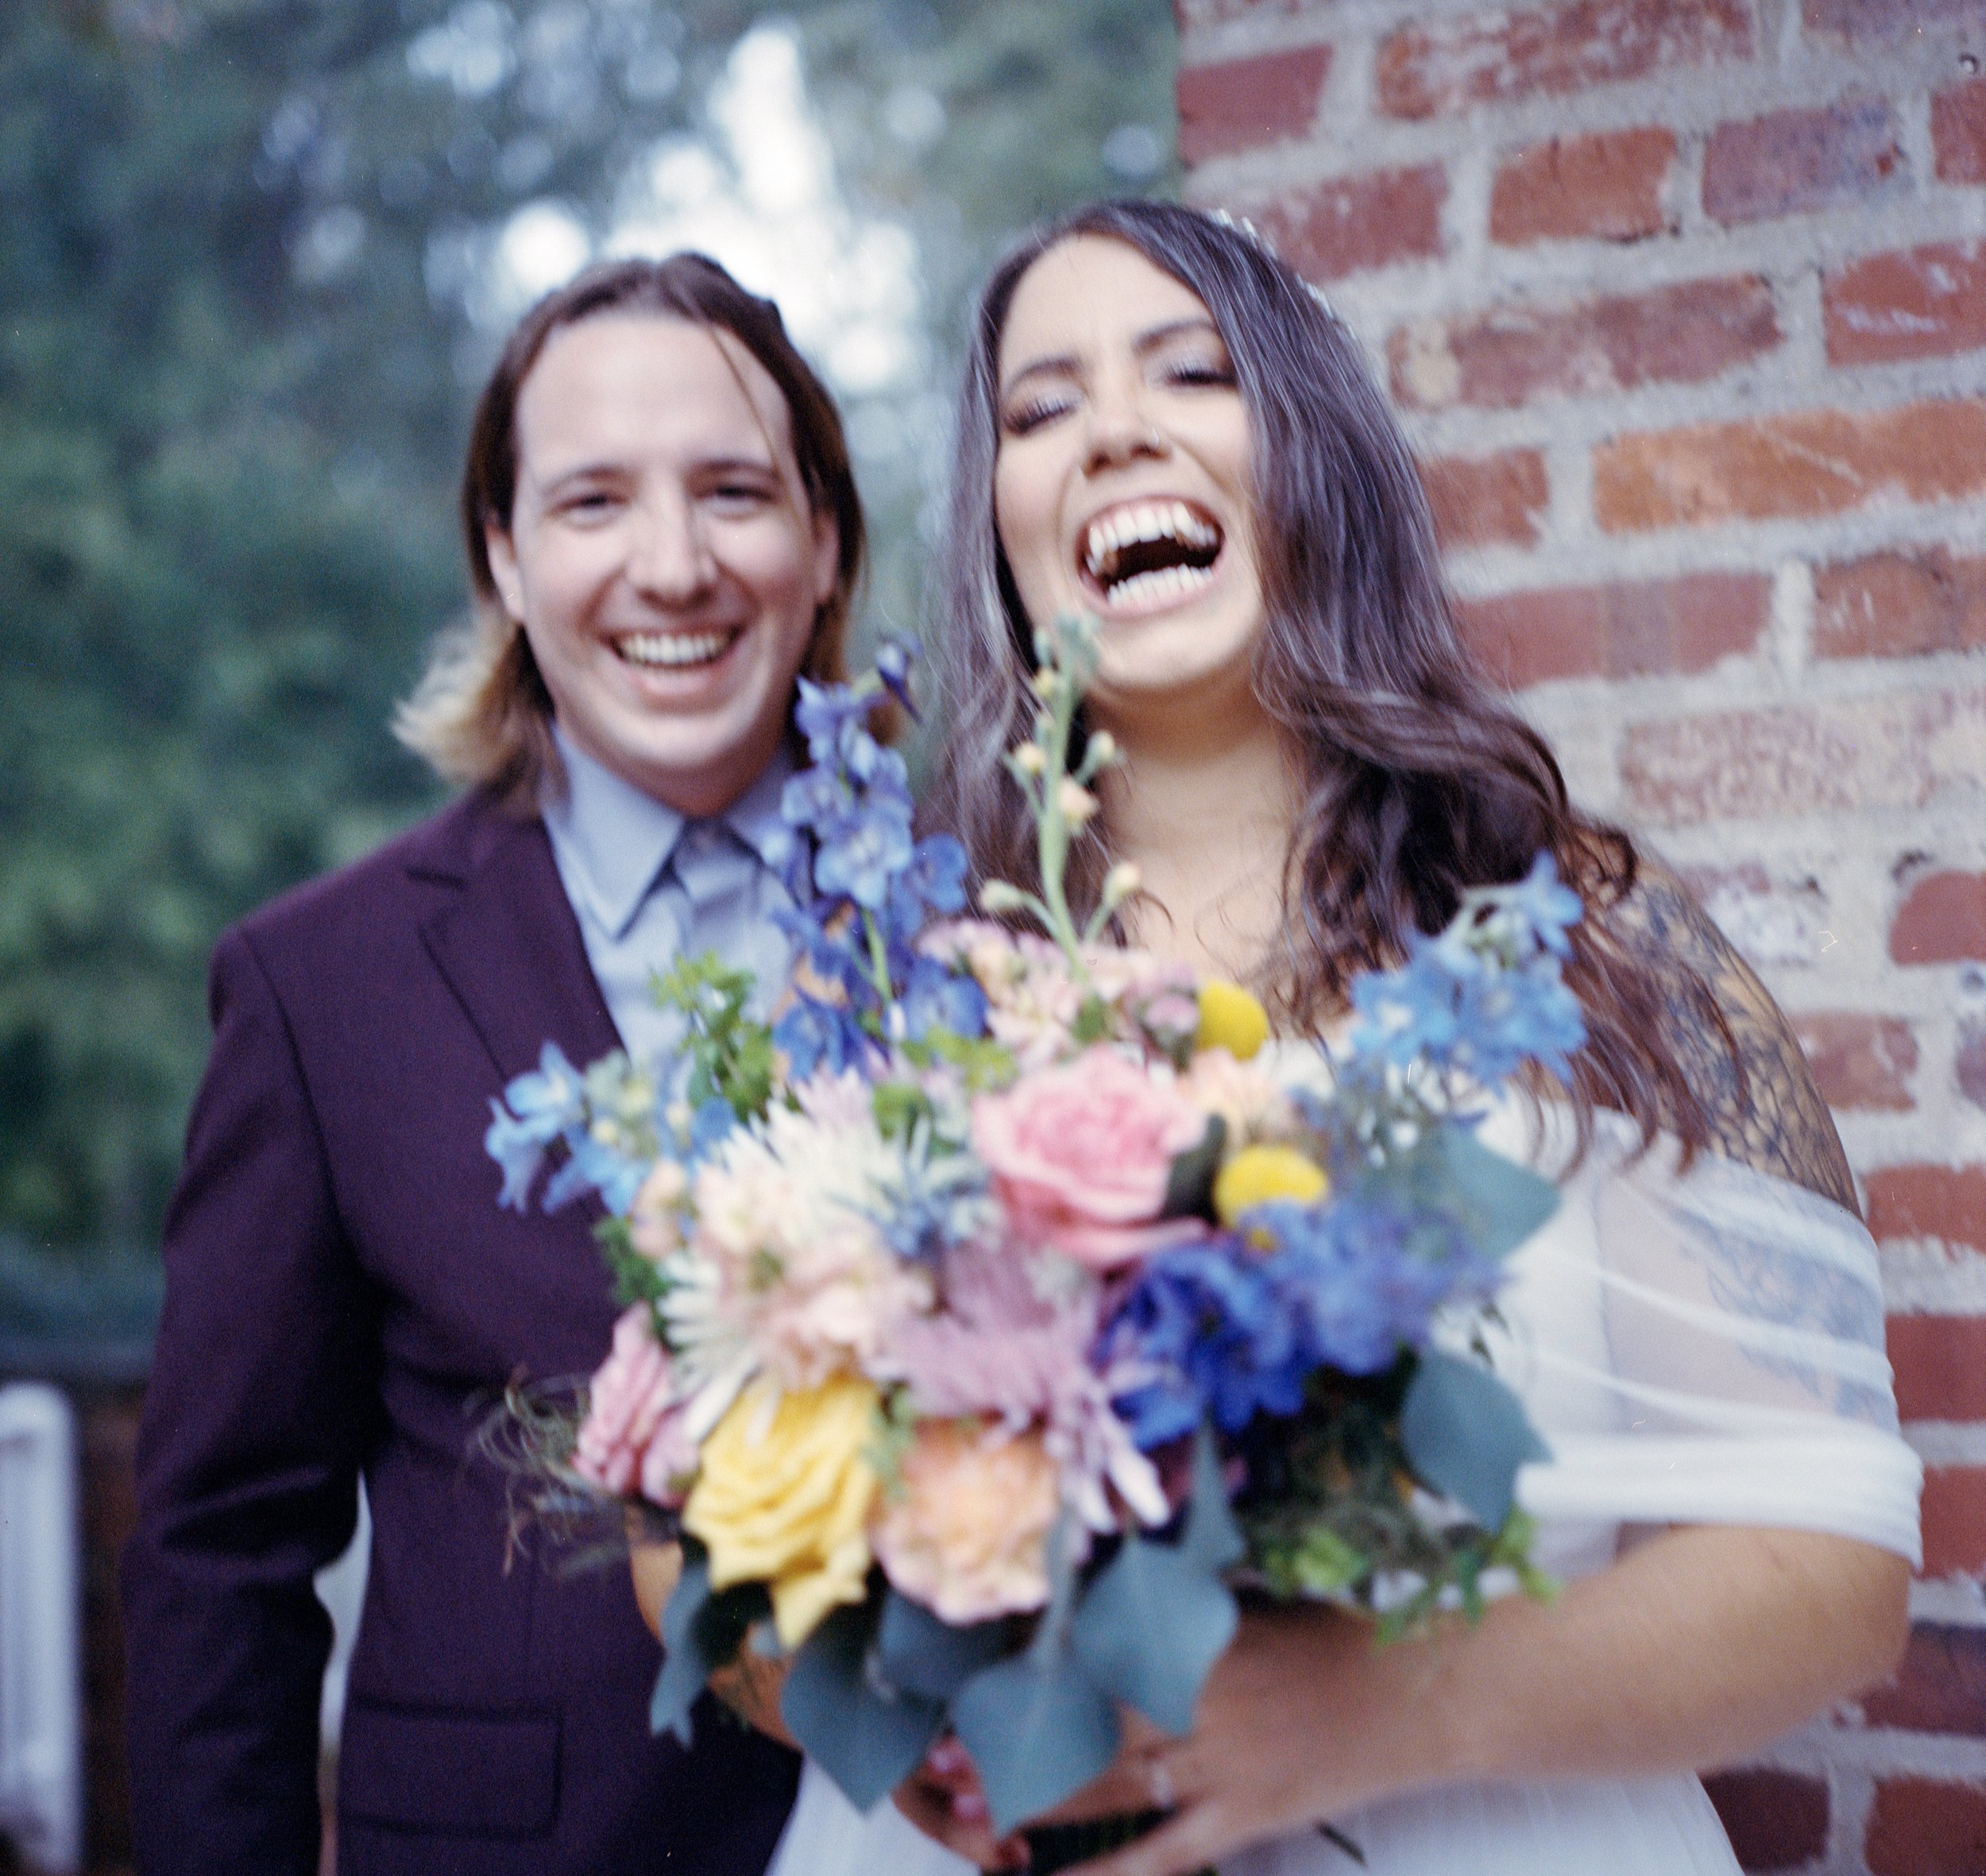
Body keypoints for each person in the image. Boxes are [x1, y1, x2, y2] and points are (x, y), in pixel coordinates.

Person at [767, 200, 1922, 1876]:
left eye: (1192, 372)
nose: (1113, 433)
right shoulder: (893, 978)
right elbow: (707, 1511)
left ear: (1314, 454)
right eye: (1039, 410)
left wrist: (1380, 1704)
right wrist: (901, 1723)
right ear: (998, 523)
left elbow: (1828, 1560)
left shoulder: (1574, 931)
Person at [122, 253, 864, 1875]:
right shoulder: (320, 985)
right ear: (505, 558)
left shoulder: (999, 934)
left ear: (821, 543)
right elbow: (220, 1557)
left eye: (732, 490)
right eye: (592, 501)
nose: (671, 565)